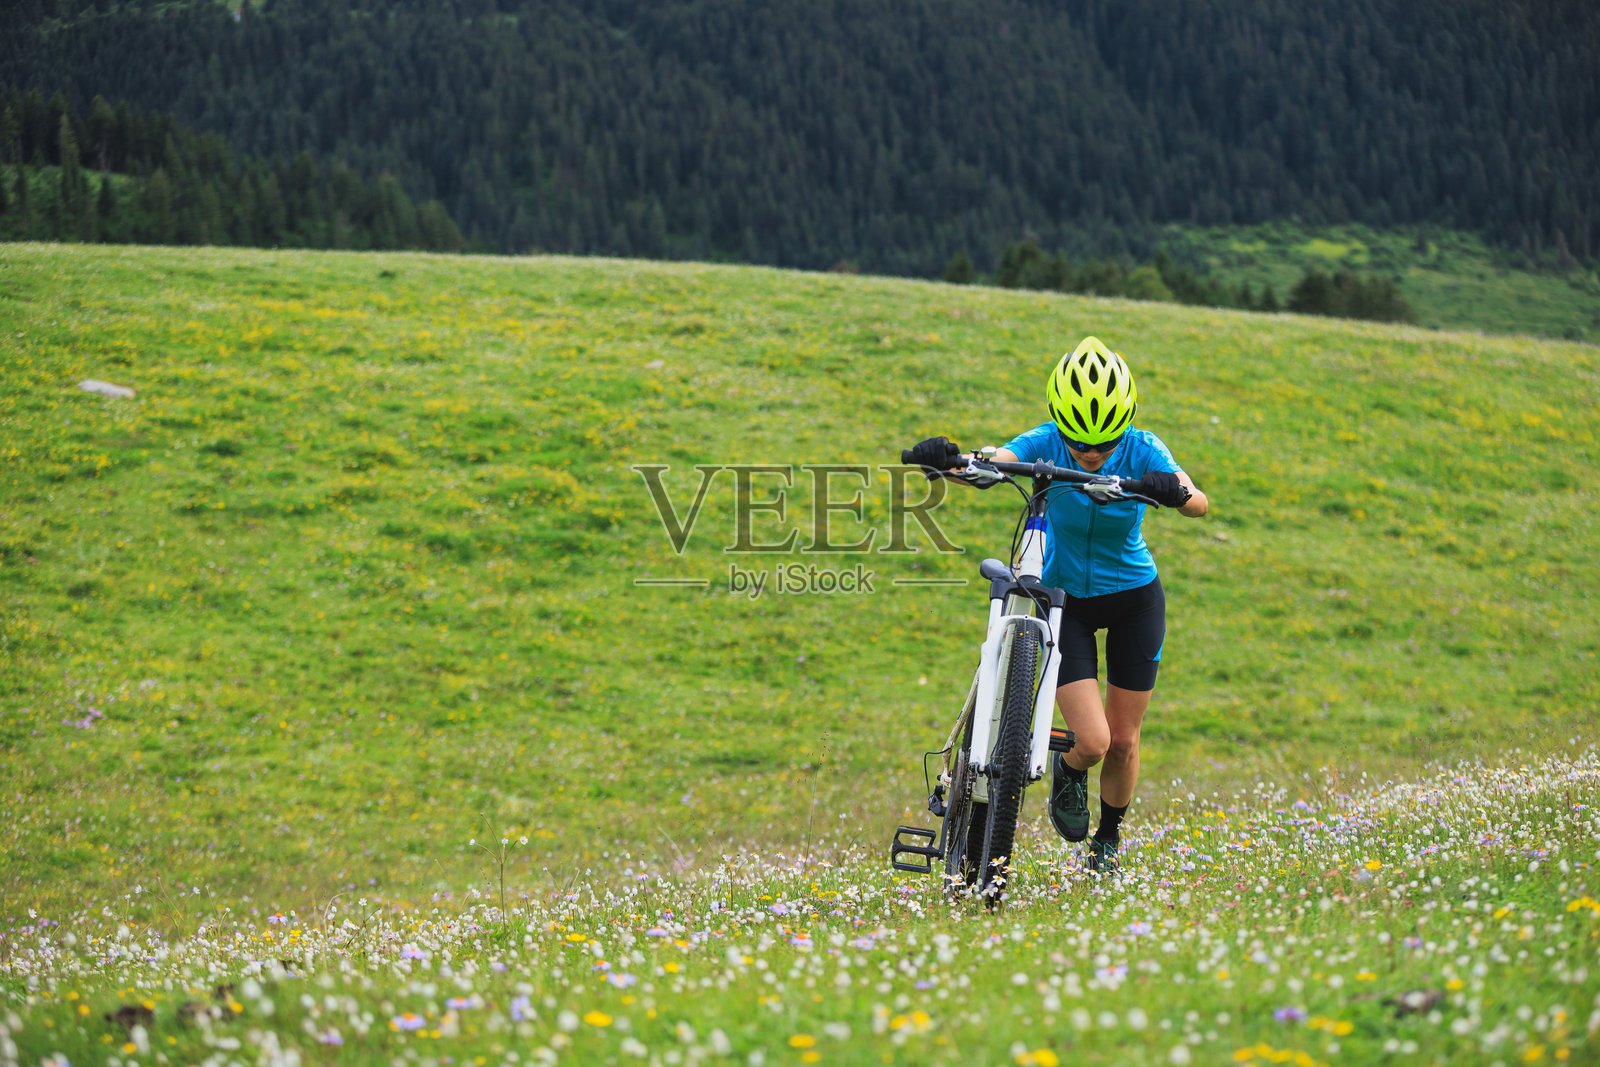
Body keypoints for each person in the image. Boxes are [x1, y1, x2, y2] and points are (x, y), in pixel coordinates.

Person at [904, 336, 1208, 873]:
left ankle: (1106, 843)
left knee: (1124, 740)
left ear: (1125, 425)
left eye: (1104, 444)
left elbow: (1197, 501)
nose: (1090, 454)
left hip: (1135, 598)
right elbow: (996, 463)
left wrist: (1171, 490)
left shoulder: (1144, 447)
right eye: (1079, 442)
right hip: (1067, 602)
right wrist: (948, 461)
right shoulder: (1044, 440)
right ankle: (1068, 772)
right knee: (1091, 741)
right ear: (1059, 423)